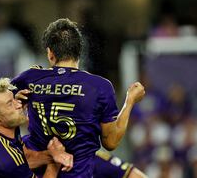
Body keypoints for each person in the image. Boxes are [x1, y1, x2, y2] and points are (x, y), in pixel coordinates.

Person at [11, 18, 145, 177]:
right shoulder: (99, 86)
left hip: (35, 171)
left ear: (50, 53)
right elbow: (110, 142)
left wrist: (15, 101)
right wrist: (129, 102)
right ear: (79, 51)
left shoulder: (30, 78)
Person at [0, 78, 73, 178]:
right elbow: (15, 162)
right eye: (10, 103)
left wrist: (52, 154)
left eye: (13, 98)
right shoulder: (6, 161)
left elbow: (25, 157)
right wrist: (55, 164)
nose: (18, 104)